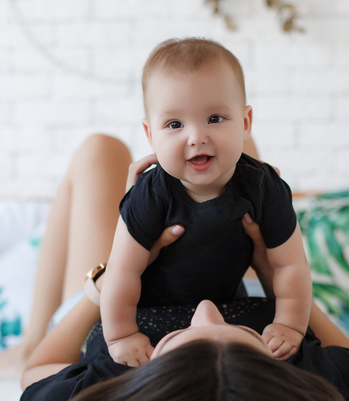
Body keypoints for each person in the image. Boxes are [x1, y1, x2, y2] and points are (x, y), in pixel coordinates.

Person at [0, 133, 349, 401]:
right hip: (224, 268)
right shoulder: (295, 366)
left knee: (100, 151)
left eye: (179, 336)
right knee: (238, 158)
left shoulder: (116, 379)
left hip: (105, 299)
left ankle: (26, 337)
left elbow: (37, 372)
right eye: (243, 334)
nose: (205, 310)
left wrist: (108, 281)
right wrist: (275, 283)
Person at [101, 38, 313, 367]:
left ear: (245, 123)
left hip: (225, 310)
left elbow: (290, 266)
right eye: (174, 124)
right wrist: (122, 335)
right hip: (152, 311)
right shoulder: (149, 194)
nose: (196, 136)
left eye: (215, 118)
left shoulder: (264, 188)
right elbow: (122, 272)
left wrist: (288, 325)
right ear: (150, 135)